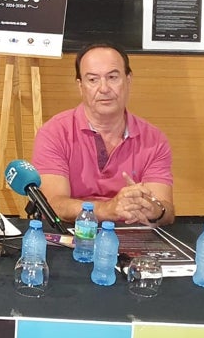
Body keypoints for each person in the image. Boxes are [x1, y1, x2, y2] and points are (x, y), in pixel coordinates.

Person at [32, 43, 174, 224]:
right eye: (93, 80)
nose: (104, 88)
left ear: (128, 80)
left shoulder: (155, 140)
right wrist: (107, 209)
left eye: (113, 77)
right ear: (80, 86)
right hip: (72, 235)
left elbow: (167, 211)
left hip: (131, 236)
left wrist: (155, 210)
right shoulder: (54, 133)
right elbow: (53, 204)